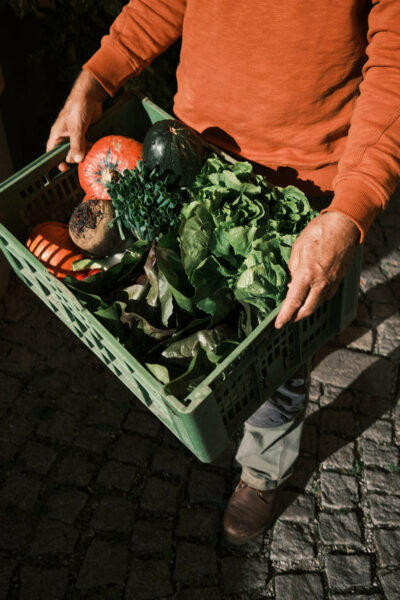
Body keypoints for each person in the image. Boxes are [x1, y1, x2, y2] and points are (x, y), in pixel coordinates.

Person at [47, 0, 400, 545]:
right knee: (186, 298)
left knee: (277, 354)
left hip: (301, 187)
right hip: (188, 152)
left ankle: (263, 468)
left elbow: (395, 67)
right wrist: (97, 75)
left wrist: (350, 211)